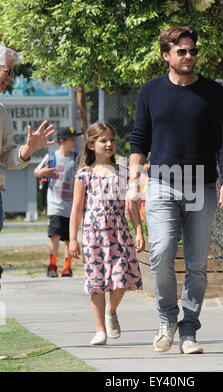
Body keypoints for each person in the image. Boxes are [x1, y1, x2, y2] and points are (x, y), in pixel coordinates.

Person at [128, 26, 223, 354]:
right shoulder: (149, 91)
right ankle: (167, 318)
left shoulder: (213, 92)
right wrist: (133, 180)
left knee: (196, 263)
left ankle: (189, 329)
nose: (189, 56)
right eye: (182, 51)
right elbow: (139, 139)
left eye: (192, 51)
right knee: (160, 252)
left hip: (201, 184)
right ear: (166, 55)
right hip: (162, 182)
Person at [69, 122, 144, 345]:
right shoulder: (84, 175)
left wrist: (139, 231)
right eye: (103, 140)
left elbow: (132, 206)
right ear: (91, 145)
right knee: (97, 282)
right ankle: (100, 329)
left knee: (121, 278)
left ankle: (111, 312)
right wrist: (73, 238)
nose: (109, 144)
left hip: (119, 234)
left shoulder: (124, 172)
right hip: (94, 236)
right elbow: (76, 209)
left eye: (111, 139)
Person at [0, 44, 55, 287]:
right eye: (7, 71)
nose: (10, 78)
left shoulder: (2, 112)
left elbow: (7, 157)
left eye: (11, 72)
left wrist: (26, 150)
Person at [34, 127, 82, 278]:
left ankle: (67, 267)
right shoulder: (52, 157)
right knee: (54, 236)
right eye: (72, 139)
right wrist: (43, 172)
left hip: (71, 206)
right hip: (55, 205)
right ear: (62, 141)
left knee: (69, 239)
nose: (74, 142)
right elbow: (36, 171)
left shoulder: (77, 158)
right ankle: (52, 265)